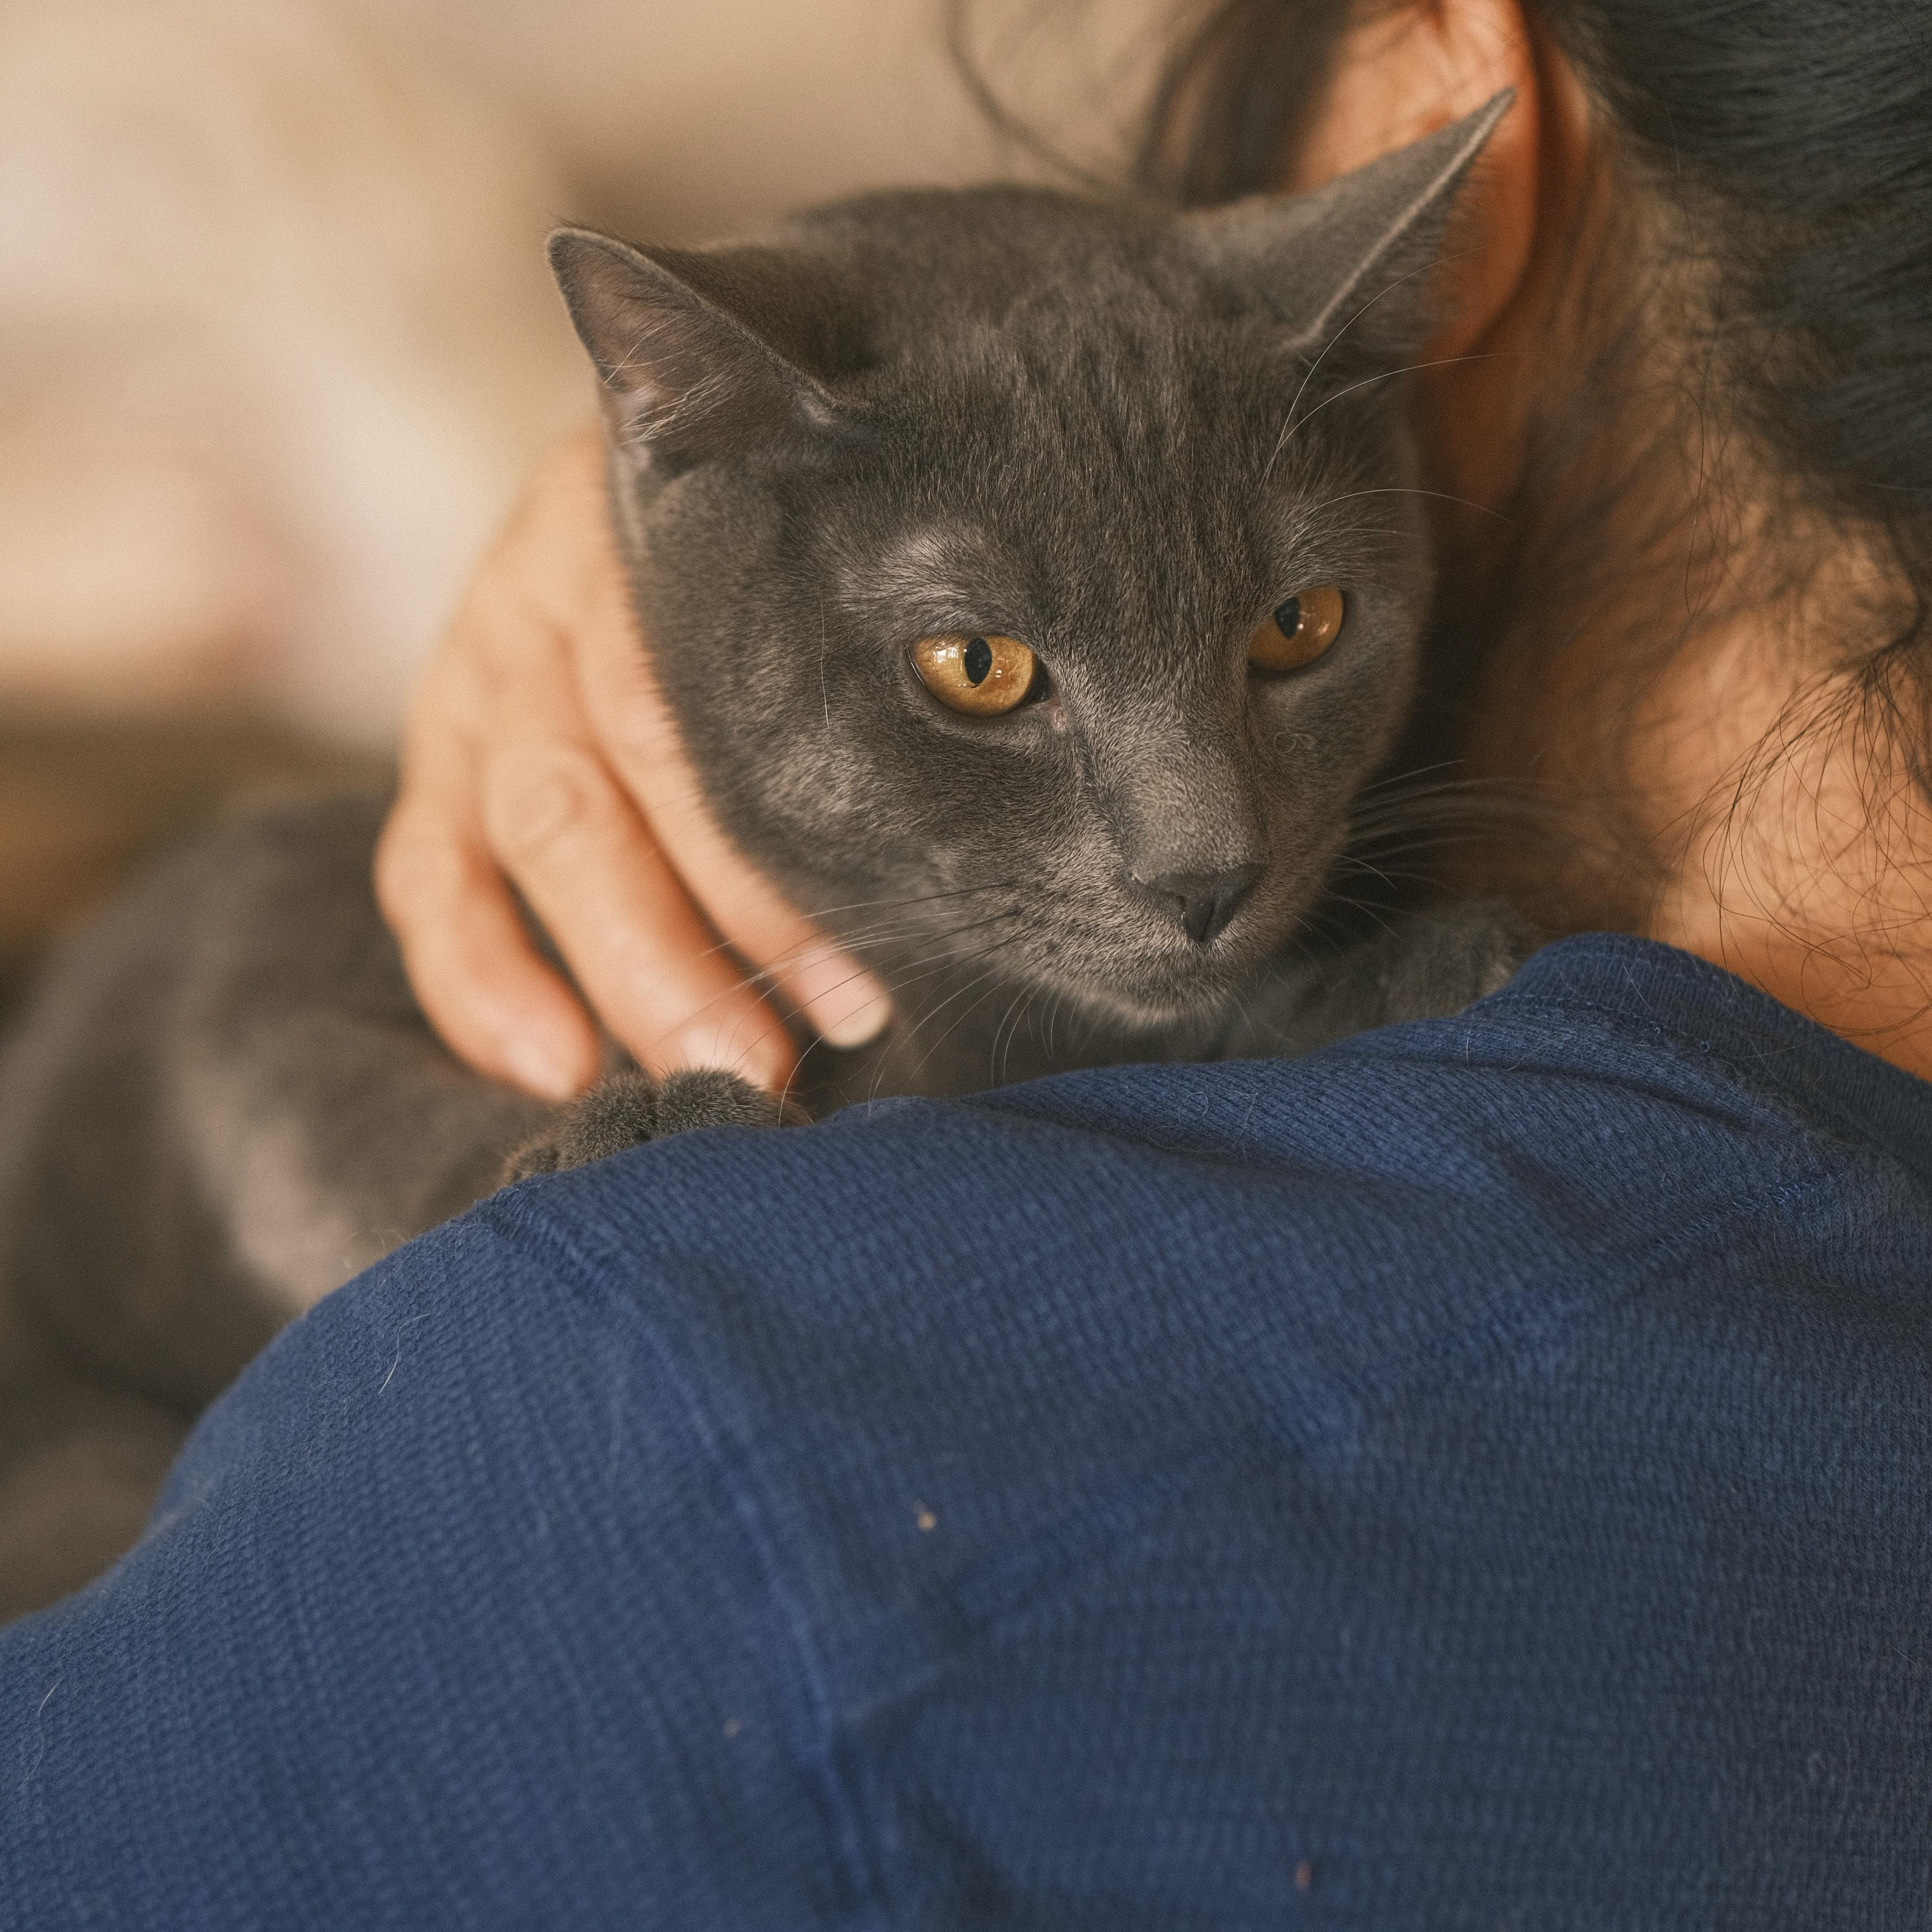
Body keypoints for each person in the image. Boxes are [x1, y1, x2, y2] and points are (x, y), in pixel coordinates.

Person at [5, 0, 1929, 1924]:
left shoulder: (685, 1470)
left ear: (1453, 104)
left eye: (1294, 636)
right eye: (983, 672)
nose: (1211, 853)